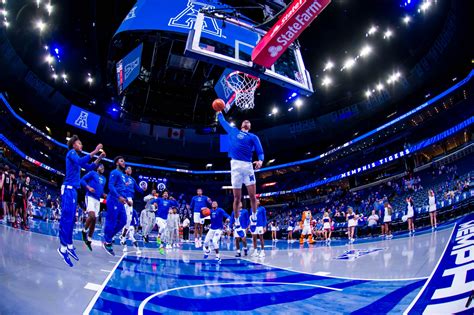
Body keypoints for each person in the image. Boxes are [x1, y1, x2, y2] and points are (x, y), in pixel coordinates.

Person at [58, 135, 105, 267]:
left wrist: (99, 158)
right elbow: (80, 162)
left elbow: (89, 167)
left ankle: (68, 245)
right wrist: (95, 151)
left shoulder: (77, 158)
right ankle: (62, 248)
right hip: (68, 188)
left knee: (71, 219)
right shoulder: (71, 153)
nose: (81, 145)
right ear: (74, 145)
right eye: (80, 143)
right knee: (67, 218)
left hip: (73, 190)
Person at [217, 112, 264, 239]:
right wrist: (219, 113)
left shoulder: (253, 137)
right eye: (245, 121)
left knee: (253, 196)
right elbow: (223, 122)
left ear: (250, 126)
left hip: (248, 166)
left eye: (249, 121)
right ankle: (237, 224)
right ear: (242, 124)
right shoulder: (233, 131)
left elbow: (260, 152)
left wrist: (260, 160)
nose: (247, 122)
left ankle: (253, 218)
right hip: (235, 166)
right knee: (237, 198)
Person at [103, 156, 129, 257]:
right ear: (117, 163)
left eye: (124, 160)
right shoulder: (114, 172)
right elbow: (110, 186)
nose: (124, 162)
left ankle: (108, 238)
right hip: (114, 199)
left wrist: (125, 199)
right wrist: (118, 196)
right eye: (122, 161)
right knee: (112, 220)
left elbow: (121, 188)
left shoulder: (122, 175)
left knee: (123, 221)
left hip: (121, 201)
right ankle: (108, 242)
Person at [80, 164, 107, 251]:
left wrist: (105, 195)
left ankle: (89, 239)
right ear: (97, 168)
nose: (102, 168)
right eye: (101, 166)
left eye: (103, 167)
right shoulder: (92, 173)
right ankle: (84, 231)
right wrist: (88, 187)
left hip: (97, 200)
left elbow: (101, 190)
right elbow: (82, 180)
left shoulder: (104, 179)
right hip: (90, 197)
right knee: (91, 216)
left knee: (94, 220)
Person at [120, 166, 146, 250]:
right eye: (128, 169)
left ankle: (123, 238)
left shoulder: (133, 180)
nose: (130, 170)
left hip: (130, 200)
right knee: (121, 218)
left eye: (131, 169)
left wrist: (143, 189)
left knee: (128, 220)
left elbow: (139, 190)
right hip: (122, 198)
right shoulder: (121, 177)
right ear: (125, 170)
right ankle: (113, 237)